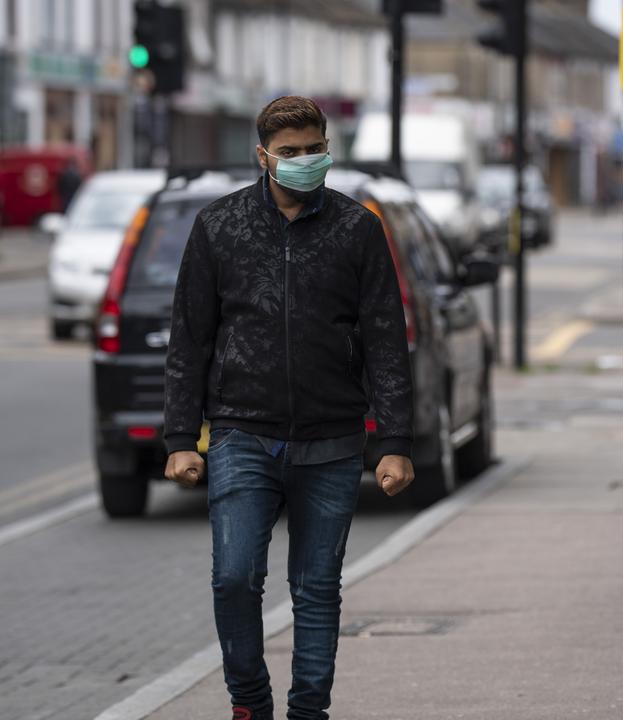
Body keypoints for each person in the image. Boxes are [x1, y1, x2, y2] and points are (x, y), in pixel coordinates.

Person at [163, 96, 415, 720]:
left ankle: (308, 712)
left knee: (316, 587)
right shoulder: (219, 226)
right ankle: (250, 703)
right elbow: (190, 336)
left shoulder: (358, 228)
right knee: (235, 577)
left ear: (328, 148)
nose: (305, 161)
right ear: (263, 157)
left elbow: (385, 335)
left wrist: (395, 440)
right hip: (241, 432)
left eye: (314, 149)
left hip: (331, 439)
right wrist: (177, 438)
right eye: (290, 153)